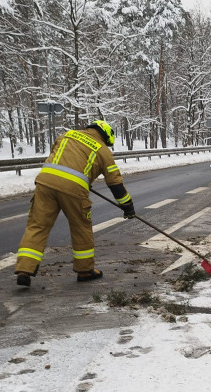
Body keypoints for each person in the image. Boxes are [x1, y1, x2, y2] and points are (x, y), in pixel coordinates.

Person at [14, 119, 135, 287]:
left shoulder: (66, 135)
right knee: (80, 227)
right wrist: (127, 206)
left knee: (37, 225)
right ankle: (85, 270)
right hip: (73, 189)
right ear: (105, 136)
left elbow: (57, 156)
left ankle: (24, 270)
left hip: (45, 182)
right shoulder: (103, 150)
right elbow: (114, 182)